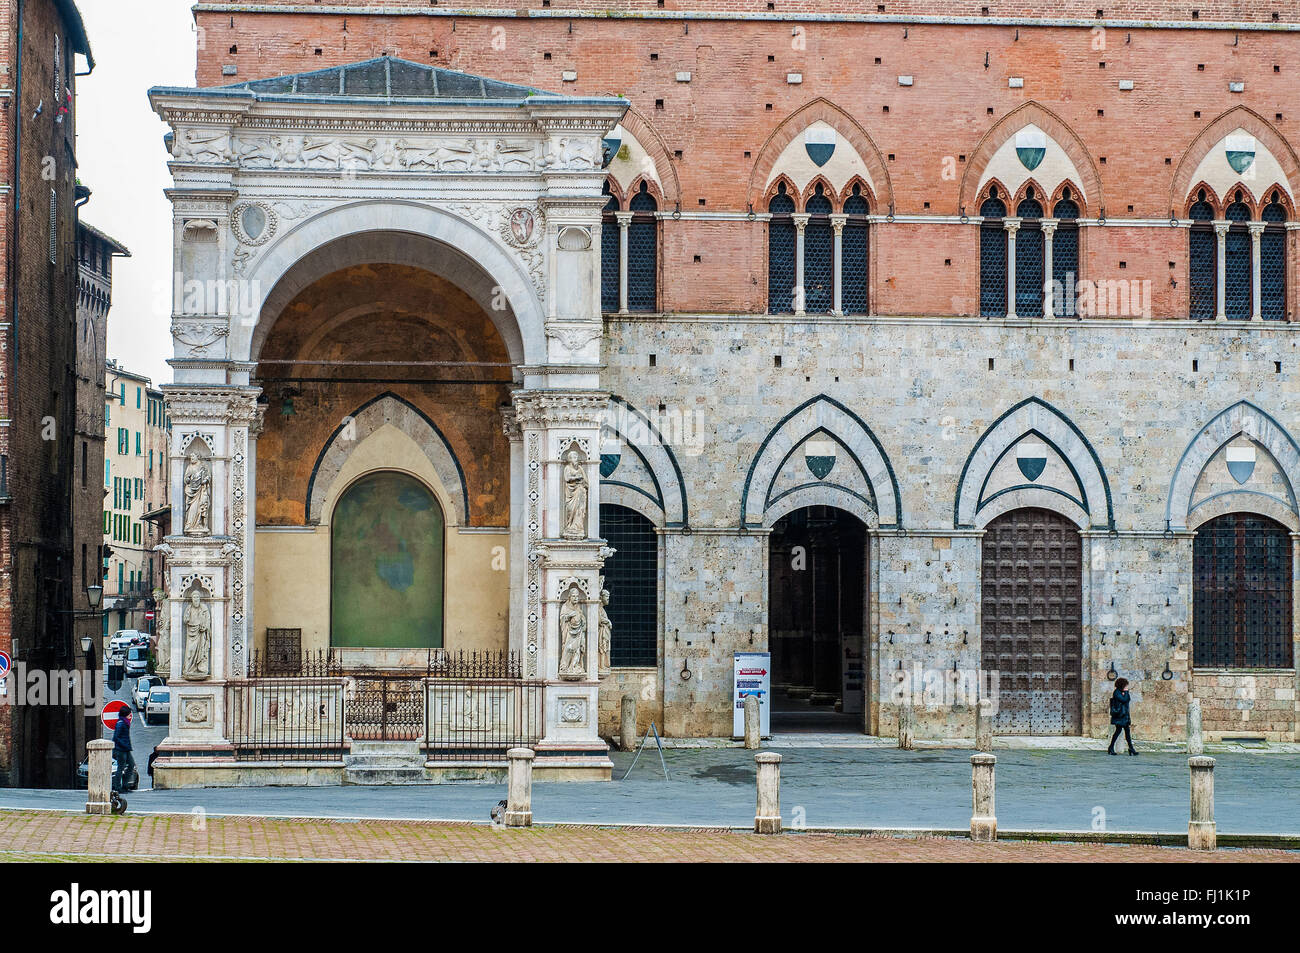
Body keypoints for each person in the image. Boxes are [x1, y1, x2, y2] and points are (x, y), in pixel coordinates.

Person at [1107, 677, 1138, 756]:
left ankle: (1130, 748)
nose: (1127, 687)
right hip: (1120, 716)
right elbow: (1125, 700)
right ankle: (1112, 747)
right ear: (1122, 685)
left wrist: (1125, 693)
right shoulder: (1117, 692)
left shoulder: (1121, 692)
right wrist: (1126, 692)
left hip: (1124, 716)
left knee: (1125, 732)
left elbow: (1127, 699)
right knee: (1119, 732)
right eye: (1126, 685)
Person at [112, 708, 136, 790]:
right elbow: (116, 737)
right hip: (120, 749)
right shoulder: (120, 723)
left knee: (131, 764)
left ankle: (125, 784)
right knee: (120, 767)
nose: (130, 715)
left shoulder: (125, 723)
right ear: (126, 714)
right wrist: (124, 744)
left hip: (126, 748)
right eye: (129, 713)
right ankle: (118, 786)